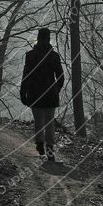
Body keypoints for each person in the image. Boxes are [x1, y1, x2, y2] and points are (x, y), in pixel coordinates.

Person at [20, 27, 64, 162]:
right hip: (50, 93)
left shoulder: (30, 55)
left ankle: (40, 145)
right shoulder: (54, 56)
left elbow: (26, 75)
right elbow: (61, 76)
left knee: (39, 120)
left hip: (35, 92)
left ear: (38, 38)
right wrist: (56, 89)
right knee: (50, 122)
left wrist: (23, 92)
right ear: (49, 38)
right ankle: (50, 151)